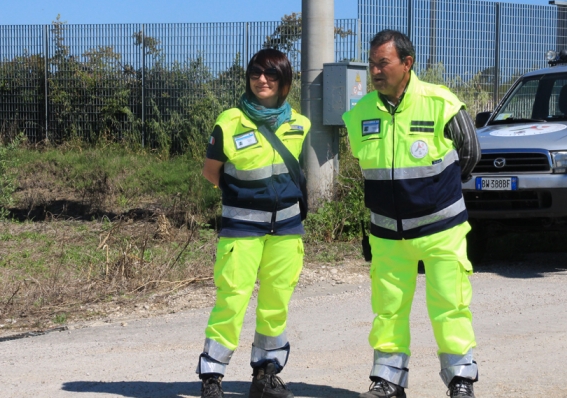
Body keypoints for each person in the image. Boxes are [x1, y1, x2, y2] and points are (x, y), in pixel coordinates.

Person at [342, 30, 481, 398]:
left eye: (382, 63)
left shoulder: (441, 103)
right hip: (387, 235)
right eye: (372, 63)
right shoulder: (359, 114)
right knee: (388, 311)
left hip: (441, 231)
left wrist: (434, 195)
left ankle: (460, 381)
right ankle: (388, 382)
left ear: (407, 63)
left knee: (449, 305)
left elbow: (470, 154)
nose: (374, 70)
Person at [196, 48, 310, 398]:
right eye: (257, 73)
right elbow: (210, 172)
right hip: (241, 229)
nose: (263, 79)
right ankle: (212, 377)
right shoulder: (229, 122)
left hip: (287, 231)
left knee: (276, 303)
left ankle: (266, 374)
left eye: (271, 74)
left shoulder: (299, 124)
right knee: (232, 300)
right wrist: (246, 200)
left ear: (284, 82)